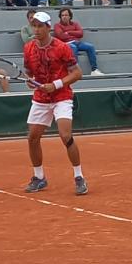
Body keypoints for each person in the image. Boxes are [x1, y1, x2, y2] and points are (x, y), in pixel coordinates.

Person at [23, 11, 88, 195]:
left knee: (65, 136)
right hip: (41, 98)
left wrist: (56, 84)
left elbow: (77, 73)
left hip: (62, 96)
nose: (36, 29)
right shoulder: (28, 48)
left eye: (39, 26)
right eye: (33, 26)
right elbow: (29, 73)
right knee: (32, 137)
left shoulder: (62, 47)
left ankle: (79, 177)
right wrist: (31, 81)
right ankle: (39, 177)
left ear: (48, 28)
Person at [54, 7, 104, 76]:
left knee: (90, 47)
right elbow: (61, 36)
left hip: (76, 42)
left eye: (66, 15)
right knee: (73, 47)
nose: (64, 17)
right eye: (62, 15)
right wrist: (74, 35)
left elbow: (81, 33)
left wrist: (68, 32)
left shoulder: (75, 24)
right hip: (65, 44)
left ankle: (94, 70)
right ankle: (75, 71)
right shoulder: (57, 25)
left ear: (70, 16)